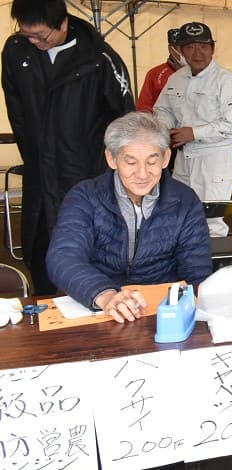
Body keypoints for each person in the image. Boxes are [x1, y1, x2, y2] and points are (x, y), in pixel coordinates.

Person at [1, 0, 135, 295]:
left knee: (93, 258)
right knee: (42, 255)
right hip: (40, 176)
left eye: (41, 36)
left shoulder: (100, 59)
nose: (34, 42)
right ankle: (47, 320)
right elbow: (18, 114)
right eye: (27, 35)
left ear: (62, 23)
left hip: (87, 175)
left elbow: (126, 123)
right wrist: (36, 158)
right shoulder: (15, 52)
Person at [46, 112, 212, 324]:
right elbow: (63, 257)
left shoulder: (185, 201)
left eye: (152, 161)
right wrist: (105, 296)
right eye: (131, 162)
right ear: (111, 159)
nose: (142, 174)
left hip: (161, 313)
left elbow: (197, 272)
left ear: (166, 158)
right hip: (96, 306)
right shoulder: (85, 197)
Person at [153, 22, 232, 237]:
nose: (198, 52)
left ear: (213, 48)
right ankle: (186, 265)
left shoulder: (226, 81)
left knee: (212, 220)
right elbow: (162, 109)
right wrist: (166, 128)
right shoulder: (177, 78)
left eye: (203, 46)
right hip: (183, 159)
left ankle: (213, 268)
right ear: (181, 50)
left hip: (213, 160)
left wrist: (193, 133)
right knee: (181, 214)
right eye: (191, 46)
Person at [137, 28, 184, 113]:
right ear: (171, 49)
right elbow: (144, 110)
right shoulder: (155, 74)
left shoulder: (202, 72)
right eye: (181, 48)